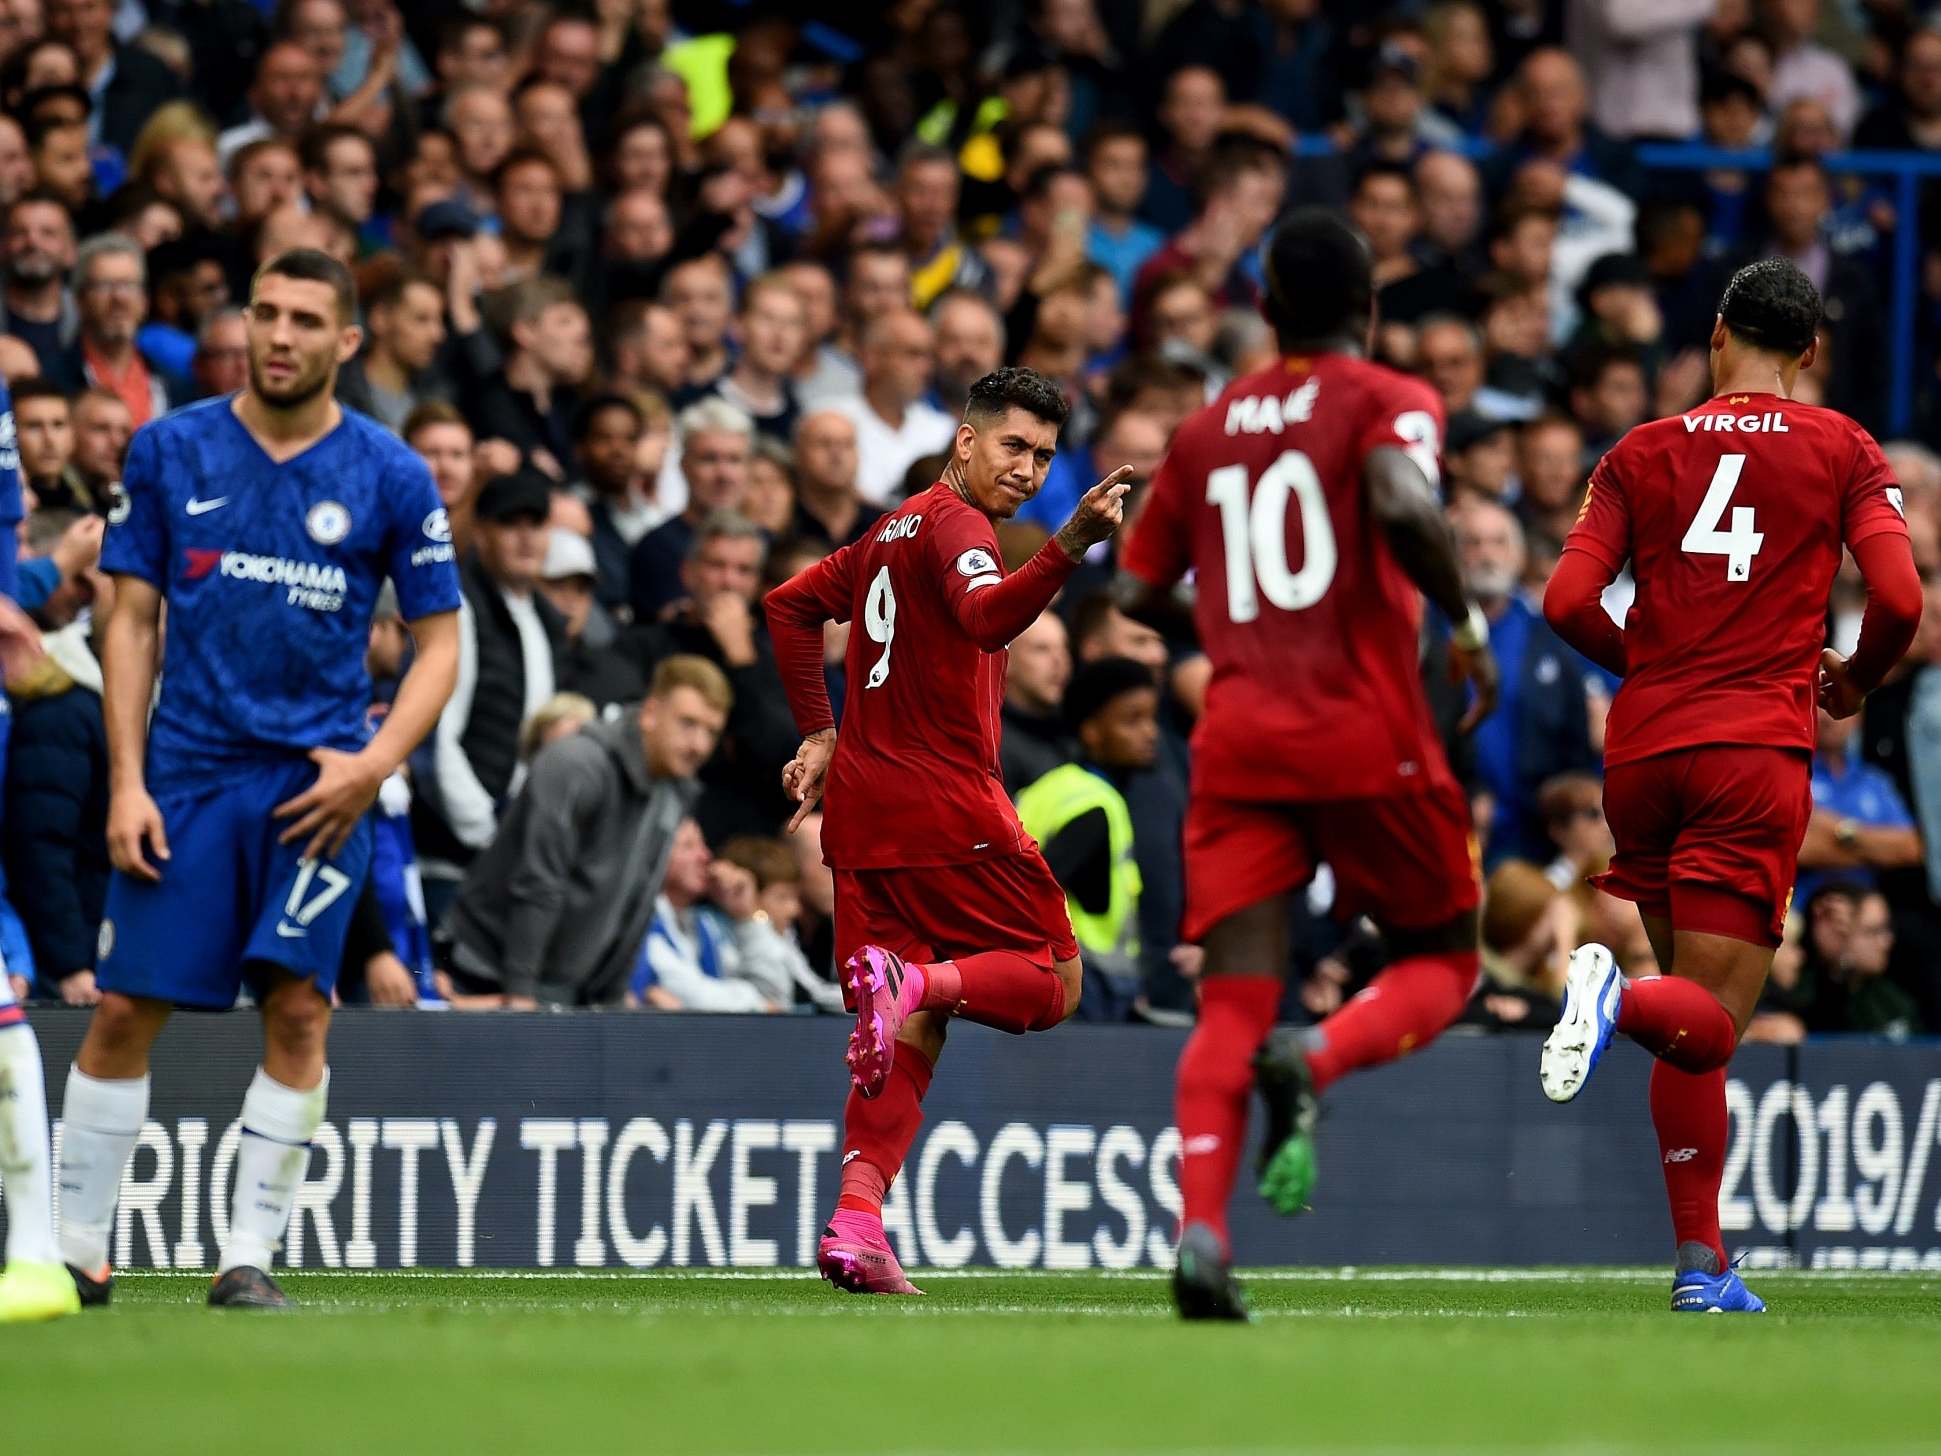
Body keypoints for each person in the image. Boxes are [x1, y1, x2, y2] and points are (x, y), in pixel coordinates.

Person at [54, 248, 461, 1311]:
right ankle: (73, 1251)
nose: (279, 335)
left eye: (305, 319)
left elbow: (442, 642)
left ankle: (247, 1259)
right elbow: (129, 615)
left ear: (346, 343)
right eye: (266, 313)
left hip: (317, 788)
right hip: (184, 775)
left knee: (298, 1011)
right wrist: (129, 779)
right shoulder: (171, 448)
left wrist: (375, 765)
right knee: (124, 1010)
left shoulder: (390, 472)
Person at [1114, 209, 1499, 1321]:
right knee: (1444, 955)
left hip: (1237, 742)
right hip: (1363, 731)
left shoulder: (1205, 430)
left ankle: (1202, 1230)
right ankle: (1320, 1059)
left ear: (1269, 309)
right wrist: (1465, 629)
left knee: (1231, 997)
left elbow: (1138, 595)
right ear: (1370, 313)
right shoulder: (1387, 399)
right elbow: (1395, 499)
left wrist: (1232, 599)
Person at [1540, 256, 1922, 1314]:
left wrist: (1652, 669)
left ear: (1716, 335)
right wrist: (1854, 679)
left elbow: (1567, 598)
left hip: (1644, 748)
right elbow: (1896, 594)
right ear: (1810, 352)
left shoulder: (1639, 450)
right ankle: (1608, 996)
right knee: (1707, 1017)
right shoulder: (1841, 444)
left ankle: (1702, 1262)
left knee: (1687, 1028)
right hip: (1752, 749)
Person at [764, 365, 1132, 1296]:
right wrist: (1070, 543)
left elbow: (792, 606)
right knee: (1052, 982)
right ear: (965, 440)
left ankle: (856, 1222)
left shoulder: (891, 529)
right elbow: (983, 616)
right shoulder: (961, 528)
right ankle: (910, 978)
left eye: (1045, 456)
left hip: (862, 817)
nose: (1029, 469)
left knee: (914, 1027)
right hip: (946, 809)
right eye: (1013, 445)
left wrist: (818, 728)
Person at [443, 655, 729, 1009]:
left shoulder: (674, 790)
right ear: (651, 712)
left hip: (563, 993)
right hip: (488, 976)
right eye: (688, 723)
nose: (699, 744)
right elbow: (539, 882)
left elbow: (638, 903)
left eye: (711, 732)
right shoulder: (577, 763)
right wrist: (519, 994)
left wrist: (610, 998)